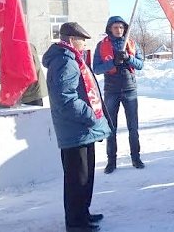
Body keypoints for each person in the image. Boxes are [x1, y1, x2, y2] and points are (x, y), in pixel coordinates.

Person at [42, 22, 111, 232]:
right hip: (76, 129)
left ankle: (83, 214)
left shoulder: (71, 59)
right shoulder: (65, 62)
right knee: (76, 180)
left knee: (85, 177)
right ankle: (76, 224)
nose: (83, 44)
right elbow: (65, 99)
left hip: (81, 130)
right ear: (72, 40)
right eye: (81, 40)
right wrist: (91, 116)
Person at [93, 16, 145, 173]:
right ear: (109, 28)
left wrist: (128, 58)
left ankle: (136, 157)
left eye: (121, 27)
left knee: (133, 127)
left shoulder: (131, 43)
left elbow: (140, 64)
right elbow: (97, 68)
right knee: (111, 127)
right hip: (111, 90)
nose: (119, 30)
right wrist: (112, 63)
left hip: (129, 89)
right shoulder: (101, 46)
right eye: (115, 27)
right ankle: (111, 161)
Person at [0, 36, 48, 106]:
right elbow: (11, 71)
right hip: (27, 91)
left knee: (32, 114)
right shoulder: (19, 48)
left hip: (31, 91)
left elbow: (22, 71)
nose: (2, 46)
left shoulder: (23, 49)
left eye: (2, 43)